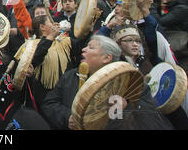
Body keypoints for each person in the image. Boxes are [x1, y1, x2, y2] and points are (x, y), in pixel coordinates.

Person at [41, 35, 171, 130]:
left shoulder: (131, 82)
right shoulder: (71, 76)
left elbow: (148, 115)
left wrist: (126, 109)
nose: (83, 50)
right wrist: (67, 117)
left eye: (91, 47)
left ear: (106, 58)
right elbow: (49, 103)